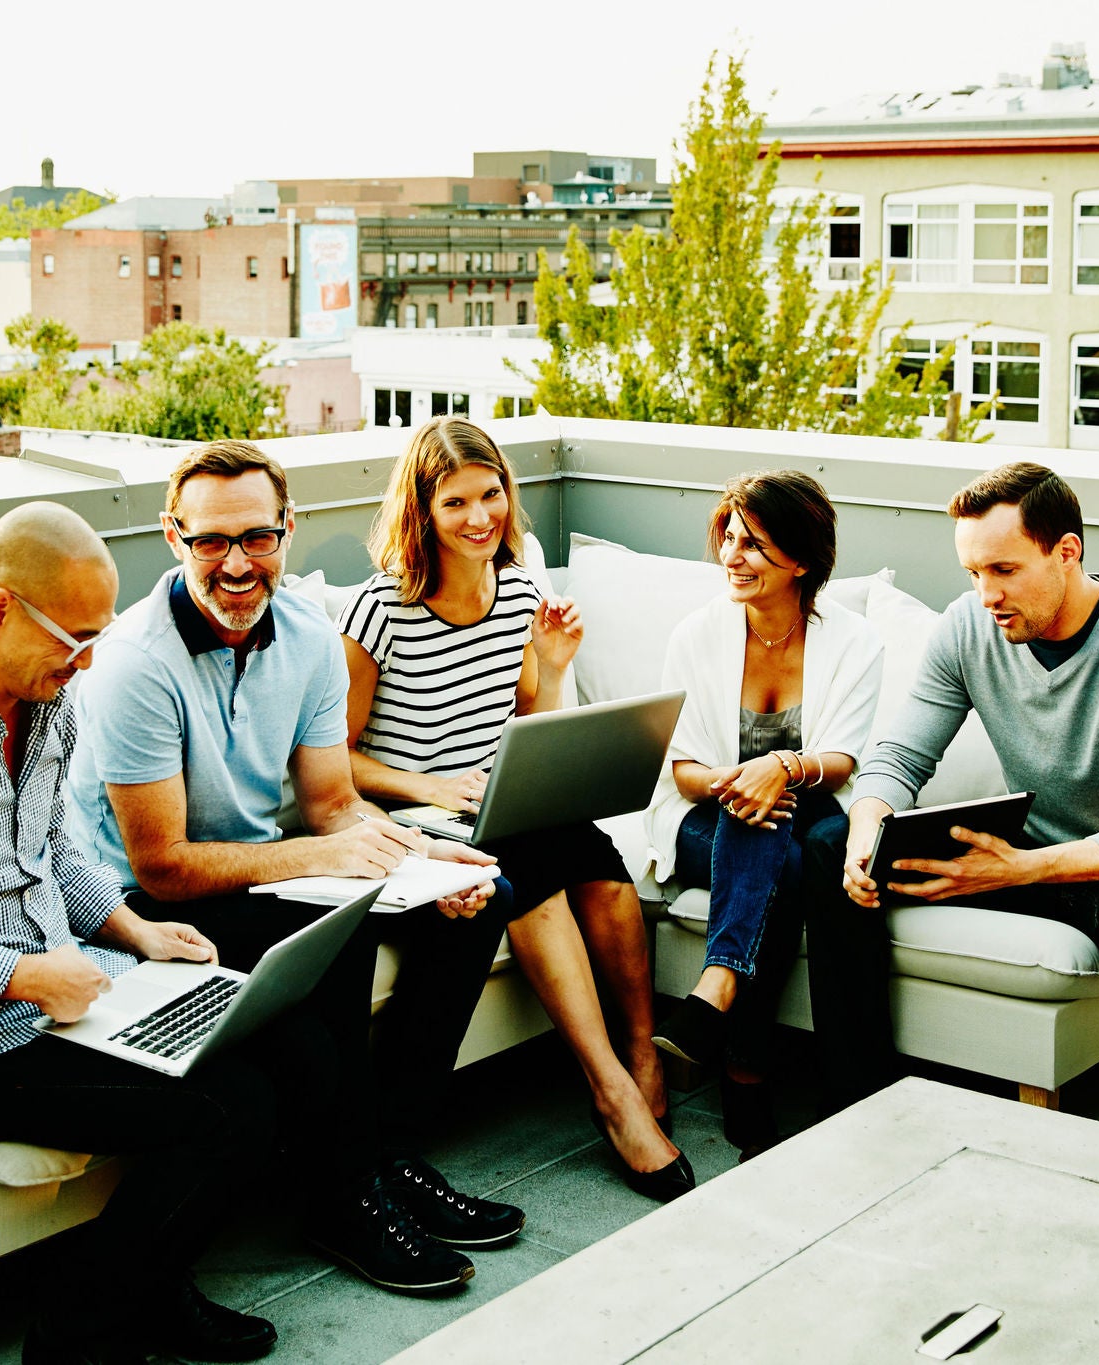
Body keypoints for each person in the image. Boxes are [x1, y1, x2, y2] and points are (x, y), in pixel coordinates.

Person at [67, 439, 527, 1298]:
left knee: (481, 897)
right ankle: (347, 1197)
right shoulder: (133, 661)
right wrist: (336, 860)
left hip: (261, 869)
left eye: (258, 536)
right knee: (336, 927)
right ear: (174, 536)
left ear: (289, 528)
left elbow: (332, 804)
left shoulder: (313, 634)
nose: (237, 563)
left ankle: (387, 1160)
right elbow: (160, 868)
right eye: (212, 541)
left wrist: (428, 854)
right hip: (136, 904)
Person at [0, 502, 281, 1365]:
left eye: (97, 634)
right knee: (232, 1110)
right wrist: (25, 976)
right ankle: (75, 1336)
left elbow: (51, 846)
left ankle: (148, 1285)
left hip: (79, 999)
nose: (89, 658)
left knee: (271, 1036)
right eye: (73, 636)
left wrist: (134, 928)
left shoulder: (44, 699)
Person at [804, 462, 1099, 1138]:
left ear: (1066, 551)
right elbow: (899, 757)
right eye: (973, 573)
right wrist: (867, 823)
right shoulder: (968, 627)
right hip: (1026, 860)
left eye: (1003, 570)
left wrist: (1024, 868)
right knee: (829, 844)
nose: (986, 594)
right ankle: (857, 1104)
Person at [338, 416, 692, 1202]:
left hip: (505, 801)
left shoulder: (525, 589)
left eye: (490, 494)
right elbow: (336, 760)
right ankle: (610, 1091)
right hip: (424, 823)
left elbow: (531, 723)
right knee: (528, 870)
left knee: (602, 867)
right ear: (421, 512)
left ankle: (641, 1055)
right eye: (455, 501)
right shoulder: (378, 610)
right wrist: (428, 785)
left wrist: (557, 666)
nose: (478, 518)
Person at [641, 470, 883, 1158]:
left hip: (806, 812)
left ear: (802, 560)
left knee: (791, 838)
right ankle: (742, 1055)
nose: (734, 557)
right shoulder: (697, 634)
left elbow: (842, 758)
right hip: (701, 820)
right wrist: (739, 781)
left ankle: (729, 1029)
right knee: (764, 827)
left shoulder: (853, 640)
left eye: (756, 544)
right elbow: (680, 767)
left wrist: (780, 767)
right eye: (730, 538)